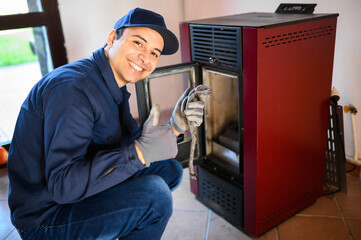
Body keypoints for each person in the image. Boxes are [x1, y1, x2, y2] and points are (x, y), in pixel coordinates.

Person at [7, 8, 205, 240]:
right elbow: (63, 186)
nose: (145, 57)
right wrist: (139, 153)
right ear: (112, 38)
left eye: (154, 52)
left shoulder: (110, 83)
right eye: (138, 43)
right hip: (44, 217)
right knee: (155, 196)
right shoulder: (74, 91)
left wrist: (174, 127)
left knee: (168, 169)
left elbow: (130, 143)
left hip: (72, 193)